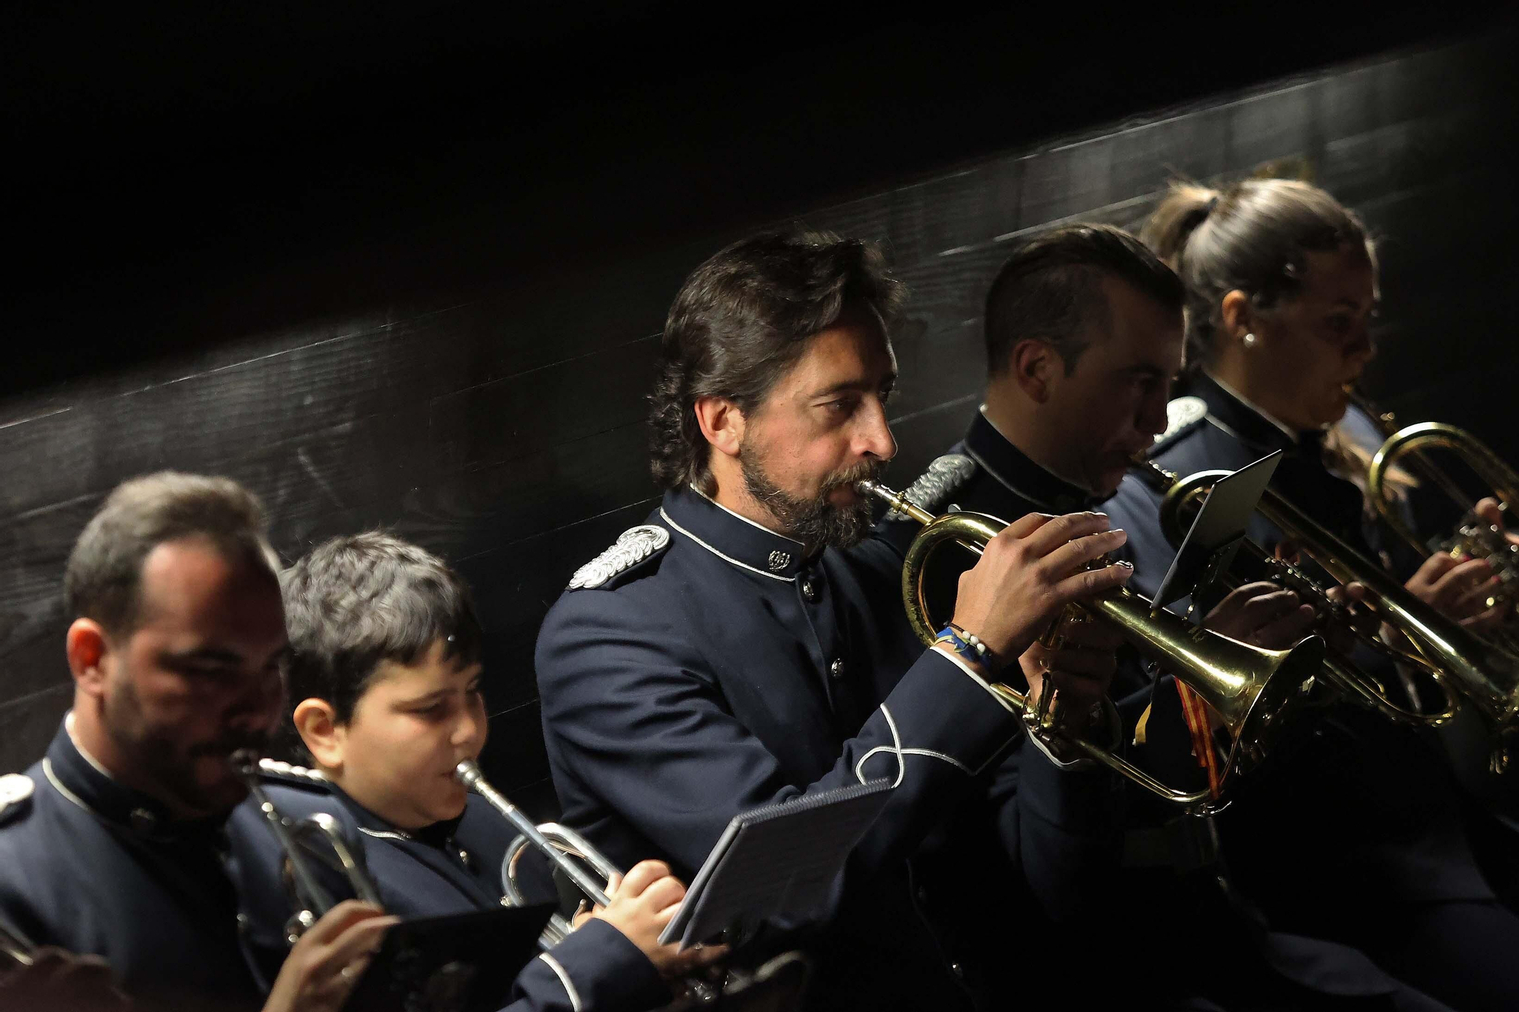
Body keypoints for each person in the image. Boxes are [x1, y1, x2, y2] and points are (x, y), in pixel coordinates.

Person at [536, 228, 1132, 1011]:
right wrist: (969, 650)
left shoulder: (882, 572)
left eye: (882, 394)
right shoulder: (608, 636)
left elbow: (1049, 884)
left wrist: (1065, 725)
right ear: (721, 422)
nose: (882, 440)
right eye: (839, 405)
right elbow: (790, 894)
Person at [880, 221, 1457, 1012]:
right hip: (1105, 967)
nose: (1159, 421)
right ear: (1038, 370)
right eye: (1138, 383)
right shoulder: (942, 548)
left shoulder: (1107, 497)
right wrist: (1189, 687)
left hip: (1222, 912)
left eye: (1168, 384)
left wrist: (1306, 652)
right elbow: (1043, 875)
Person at [1104, 178, 1519, 1010]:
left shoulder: (1338, 442)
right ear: (1241, 318)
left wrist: (1490, 609)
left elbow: (1410, 682)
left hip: (1449, 830)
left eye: (1368, 317)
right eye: (1340, 324)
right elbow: (1247, 726)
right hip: (1345, 867)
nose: (1365, 347)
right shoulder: (1179, 482)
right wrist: (1405, 630)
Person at [239, 530, 716, 1012]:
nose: (468, 730)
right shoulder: (328, 885)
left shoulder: (483, 822)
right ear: (324, 730)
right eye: (430, 709)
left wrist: (614, 950)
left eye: (473, 691)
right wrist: (605, 959)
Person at [0, 472, 395, 1012]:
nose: (259, 709)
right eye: (212, 669)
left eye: (271, 667)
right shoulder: (11, 884)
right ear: (92, 660)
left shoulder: (314, 831)